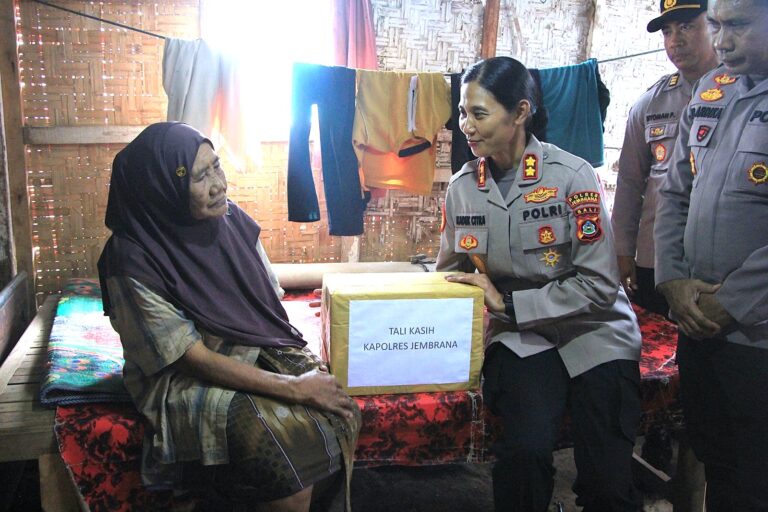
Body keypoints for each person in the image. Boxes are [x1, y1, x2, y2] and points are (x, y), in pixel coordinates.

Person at [97, 122, 360, 512]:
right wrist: (293, 387)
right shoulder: (132, 259)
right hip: (184, 373)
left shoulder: (230, 219)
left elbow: (267, 298)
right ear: (163, 188)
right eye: (200, 177)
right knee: (275, 441)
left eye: (216, 166)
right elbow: (188, 357)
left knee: (337, 408)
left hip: (251, 342)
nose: (218, 185)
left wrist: (302, 380)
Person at [437, 57, 643, 512]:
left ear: (520, 112)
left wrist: (509, 303)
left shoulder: (572, 176)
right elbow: (447, 275)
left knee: (608, 478)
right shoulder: (463, 188)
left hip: (595, 330)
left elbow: (599, 284)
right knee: (524, 454)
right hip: (521, 339)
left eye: (479, 113)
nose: (466, 126)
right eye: (463, 113)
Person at [654, 0, 768, 509]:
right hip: (698, 323)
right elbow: (675, 192)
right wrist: (673, 282)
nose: (721, 41)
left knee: (755, 474)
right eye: (717, 25)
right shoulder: (711, 90)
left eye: (738, 25)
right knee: (715, 455)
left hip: (756, 336)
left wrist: (734, 301)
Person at [611, 0, 718, 316]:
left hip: (717, 261)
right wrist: (622, 249)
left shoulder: (744, 97)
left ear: (716, 25)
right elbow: (629, 182)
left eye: (687, 26)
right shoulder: (651, 103)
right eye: (667, 31)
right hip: (654, 257)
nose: (675, 40)